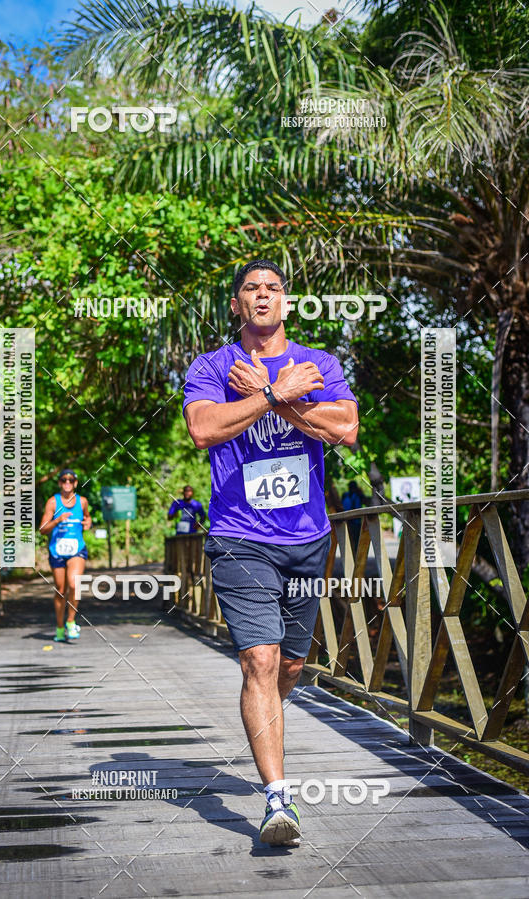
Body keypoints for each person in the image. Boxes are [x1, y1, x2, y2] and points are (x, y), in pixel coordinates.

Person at [183, 259, 358, 846]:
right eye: (251, 289)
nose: (263, 295)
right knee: (259, 661)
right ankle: (278, 800)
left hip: (308, 540)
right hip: (239, 537)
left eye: (273, 288)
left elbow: (346, 427)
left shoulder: (319, 364)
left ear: (287, 303)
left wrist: (274, 396)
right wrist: (273, 395)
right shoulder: (211, 366)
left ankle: (264, 722)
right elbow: (205, 428)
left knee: (288, 668)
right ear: (236, 305)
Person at [39, 468, 92, 642]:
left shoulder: (82, 501)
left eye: (71, 480)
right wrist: (56, 520)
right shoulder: (53, 503)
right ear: (60, 483)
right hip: (57, 550)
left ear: (75, 483)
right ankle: (60, 627)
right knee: (61, 590)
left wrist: (88, 523)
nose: (67, 483)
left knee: (74, 583)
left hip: (77, 549)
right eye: (64, 480)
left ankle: (70, 621)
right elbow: (42, 530)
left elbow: (87, 517)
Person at [341, 480, 366, 548]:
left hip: (355, 521)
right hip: (349, 521)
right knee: (351, 540)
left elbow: (364, 501)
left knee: (356, 540)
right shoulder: (345, 495)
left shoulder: (358, 494)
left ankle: (356, 555)